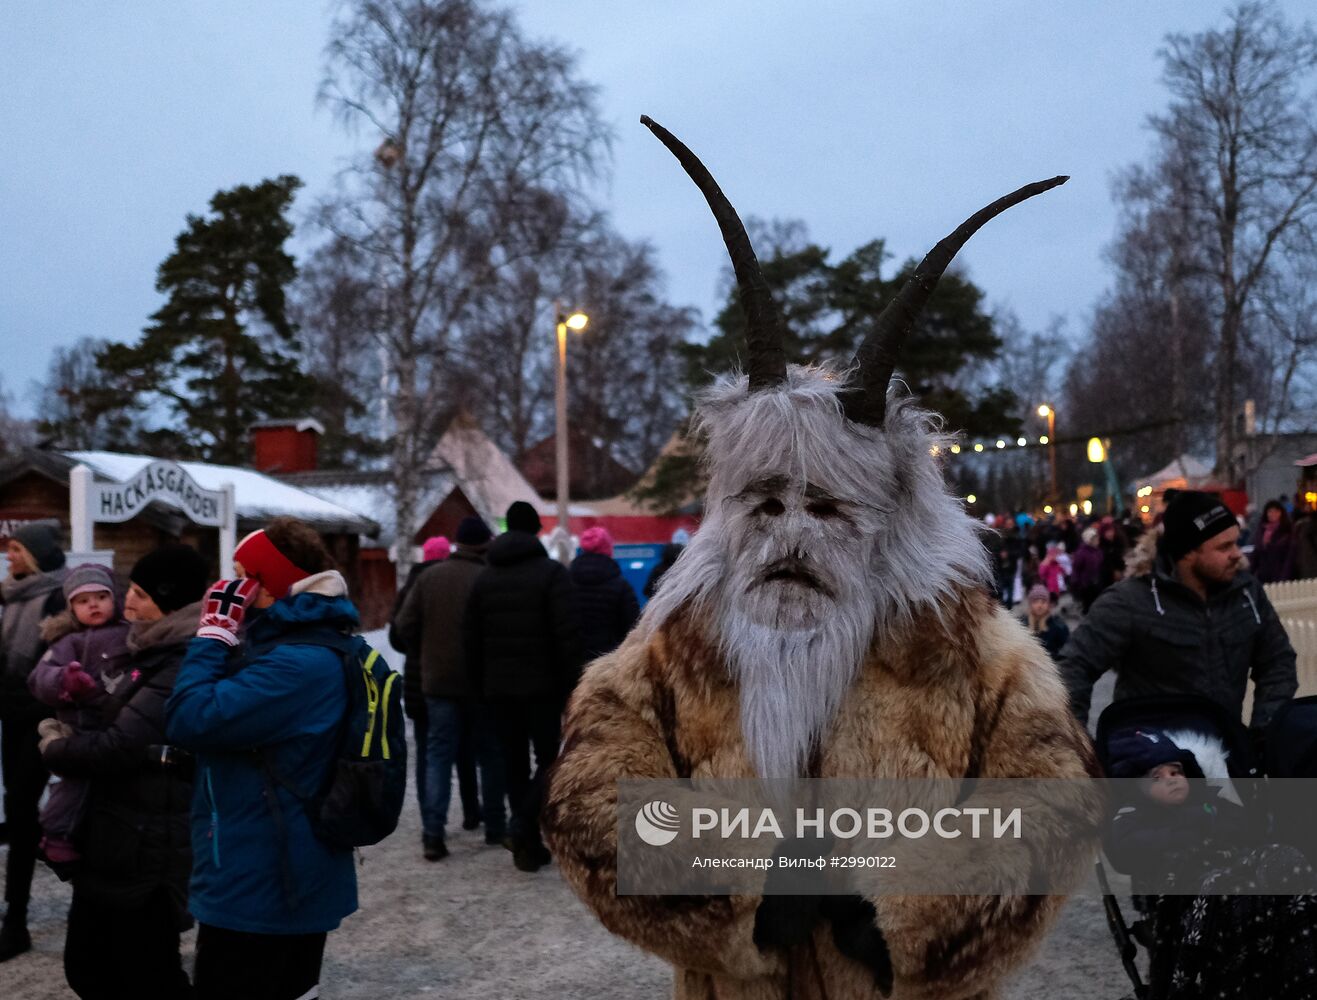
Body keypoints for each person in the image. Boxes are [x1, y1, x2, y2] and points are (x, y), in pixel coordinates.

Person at [543, 121, 1100, 1000]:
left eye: (829, 507)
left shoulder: (962, 646)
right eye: (765, 504)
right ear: (730, 510)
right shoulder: (677, 645)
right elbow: (585, 797)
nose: (791, 534)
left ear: (883, 519)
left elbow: (1055, 800)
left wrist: (915, 918)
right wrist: (734, 900)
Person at [166, 518, 360, 1000]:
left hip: (266, 880)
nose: (228, 587)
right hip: (270, 867)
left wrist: (212, 636)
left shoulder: (297, 664)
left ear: (270, 586)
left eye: (241, 575)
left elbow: (192, 716)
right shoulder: (294, 647)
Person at [39, 544, 208, 998]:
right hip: (119, 834)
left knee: (146, 975)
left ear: (168, 600)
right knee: (93, 969)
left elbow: (119, 745)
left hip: (148, 843)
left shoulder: (180, 659)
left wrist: (55, 746)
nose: (126, 601)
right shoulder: (147, 647)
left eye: (138, 592)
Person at [1059, 491, 1298, 737]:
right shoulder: (1131, 600)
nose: (1237, 554)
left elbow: (1278, 662)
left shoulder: (1246, 593)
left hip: (1227, 757)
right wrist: (1081, 754)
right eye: (1224, 546)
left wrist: (1263, 733)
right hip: (1154, 763)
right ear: (1188, 553)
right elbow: (1073, 667)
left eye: (1236, 542)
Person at [464, 501, 583, 873]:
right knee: (551, 760)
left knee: (513, 764)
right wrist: (574, 684)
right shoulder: (551, 575)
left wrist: (479, 688)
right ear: (535, 531)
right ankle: (523, 826)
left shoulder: (483, 580)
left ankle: (527, 844)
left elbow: (470, 641)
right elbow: (568, 635)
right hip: (544, 689)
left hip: (498, 691)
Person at [394, 516, 505, 860]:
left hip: (438, 683)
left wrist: (429, 648)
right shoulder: (490, 578)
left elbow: (403, 627)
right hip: (482, 685)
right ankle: (495, 825)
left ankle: (433, 834)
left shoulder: (429, 578)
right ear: (485, 544)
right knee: (489, 754)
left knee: (438, 756)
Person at [27, 563, 132, 875]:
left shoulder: (130, 634)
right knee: (74, 786)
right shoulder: (67, 642)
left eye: (101, 596)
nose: (94, 605)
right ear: (71, 608)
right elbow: (39, 678)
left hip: (117, 723)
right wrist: (65, 681)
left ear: (116, 598)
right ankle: (56, 835)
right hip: (79, 726)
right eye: (83, 600)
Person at [0, 522, 67, 961]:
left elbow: (59, 665)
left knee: (24, 813)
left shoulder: (60, 596)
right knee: (21, 809)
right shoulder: (12, 596)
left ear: (37, 554)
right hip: (12, 716)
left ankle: (16, 921)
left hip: (41, 719)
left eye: (17, 549)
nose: (9, 557)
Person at [388, 533, 478, 842]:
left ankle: (432, 822)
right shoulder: (468, 578)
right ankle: (473, 811)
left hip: (427, 681)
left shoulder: (417, 584)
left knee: (433, 753)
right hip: (464, 681)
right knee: (466, 749)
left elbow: (399, 632)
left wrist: (423, 647)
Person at [570, 526, 640, 661]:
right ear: (608, 550)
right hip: (608, 662)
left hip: (573, 660)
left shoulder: (566, 581)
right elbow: (633, 628)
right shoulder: (621, 586)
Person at [1251, 499, 1295, 584]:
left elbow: (1289, 558)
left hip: (1281, 576)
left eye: (1276, 511)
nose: (1272, 514)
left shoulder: (1286, 531)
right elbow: (1256, 554)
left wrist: (1284, 578)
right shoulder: (1261, 530)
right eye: (1270, 511)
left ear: (1281, 513)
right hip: (1263, 577)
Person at [1023, 583, 1069, 659]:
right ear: (1030, 604)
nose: (1039, 605)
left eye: (1043, 602)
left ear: (1049, 604)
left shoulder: (1059, 627)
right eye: (1035, 602)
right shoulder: (1023, 625)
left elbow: (1066, 651)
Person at [1069, 526, 1104, 613]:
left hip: (1096, 581)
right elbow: (1076, 569)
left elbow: (1100, 564)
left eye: (1097, 538)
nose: (1097, 540)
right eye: (1094, 539)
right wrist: (1077, 583)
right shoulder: (1082, 553)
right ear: (1089, 540)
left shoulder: (1098, 551)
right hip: (1085, 583)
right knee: (1088, 604)